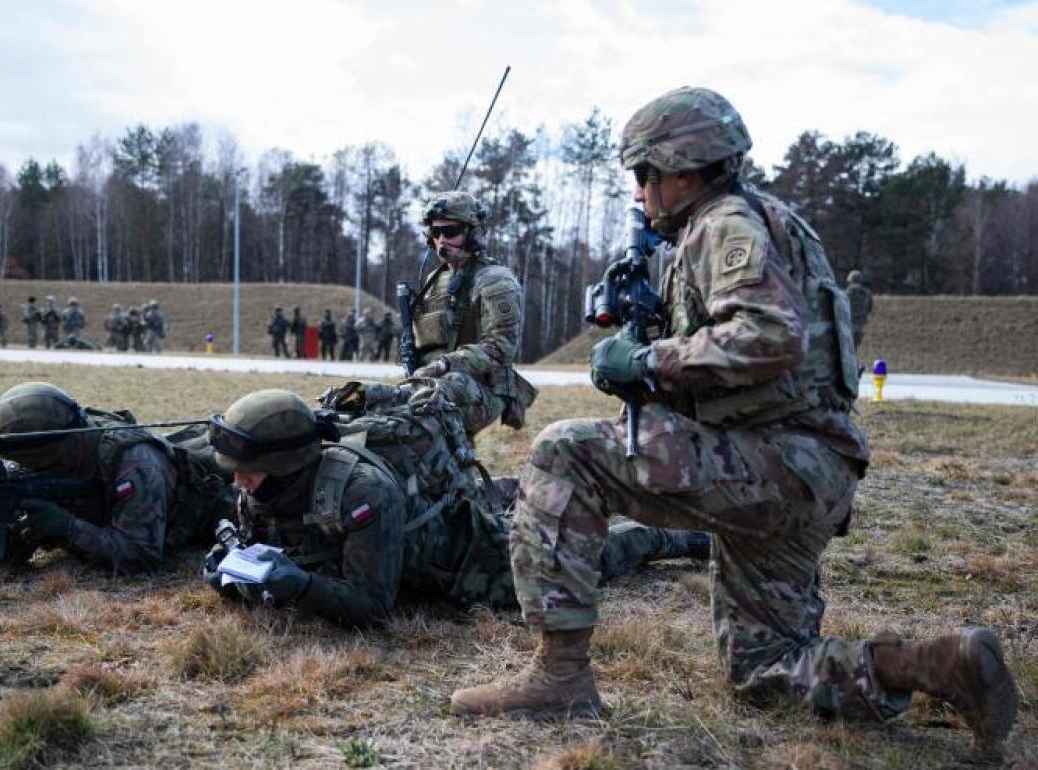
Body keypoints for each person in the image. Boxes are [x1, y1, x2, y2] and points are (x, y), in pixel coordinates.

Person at [448, 87, 1018, 758]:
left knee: (563, 453)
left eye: (645, 174)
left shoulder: (725, 225)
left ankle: (559, 674)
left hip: (774, 462)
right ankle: (935, 665)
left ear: (682, 170)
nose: (640, 191)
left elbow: (769, 336)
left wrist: (648, 361)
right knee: (764, 667)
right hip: (805, 471)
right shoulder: (765, 222)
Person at [203, 389, 709, 628]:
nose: (237, 481)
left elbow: (372, 606)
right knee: (514, 499)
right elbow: (276, 554)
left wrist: (301, 587)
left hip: (470, 559)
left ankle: (676, 535)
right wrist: (231, 573)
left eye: (248, 470)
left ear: (287, 463)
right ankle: (526, 492)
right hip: (418, 535)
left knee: (576, 561)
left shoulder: (361, 494)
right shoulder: (261, 487)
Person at [0, 382, 235, 574]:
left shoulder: (134, 460)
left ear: (53, 454)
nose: (19, 466)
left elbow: (141, 554)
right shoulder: (56, 459)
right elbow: (13, 559)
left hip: (220, 503)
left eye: (27, 460)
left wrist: (66, 528)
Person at [407, 191, 537, 435]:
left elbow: (501, 348)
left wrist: (444, 364)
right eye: (435, 233)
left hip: (482, 387)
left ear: (473, 233)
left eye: (450, 231)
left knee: (432, 400)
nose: (441, 240)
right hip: (435, 380)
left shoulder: (494, 280)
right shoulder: (435, 280)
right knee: (381, 400)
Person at [846, 270, 873, 350]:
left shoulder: (845, 293)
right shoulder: (867, 293)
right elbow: (869, 308)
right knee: (855, 345)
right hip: (860, 321)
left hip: (848, 321)